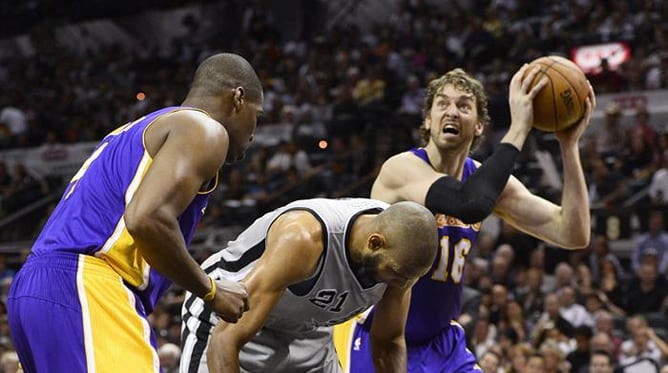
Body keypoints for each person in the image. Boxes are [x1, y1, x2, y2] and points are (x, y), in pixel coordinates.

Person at [7, 53, 264, 373]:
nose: (254, 132)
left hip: (39, 287)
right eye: (258, 115)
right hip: (89, 285)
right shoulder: (204, 128)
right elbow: (146, 218)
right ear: (238, 98)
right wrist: (211, 290)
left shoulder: (135, 130)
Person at [335, 63, 595, 372]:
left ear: (479, 126)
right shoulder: (401, 169)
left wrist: (568, 145)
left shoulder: (484, 182)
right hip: (377, 335)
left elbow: (573, 233)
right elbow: (466, 203)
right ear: (428, 121)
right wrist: (519, 128)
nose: (452, 112)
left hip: (443, 342)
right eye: (442, 104)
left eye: (464, 105)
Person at [179, 198, 439, 373]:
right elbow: (227, 338)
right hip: (229, 317)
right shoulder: (305, 238)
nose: (402, 285)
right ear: (374, 243)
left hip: (307, 334)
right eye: (397, 275)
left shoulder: (403, 257)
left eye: (410, 278)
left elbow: (388, 343)